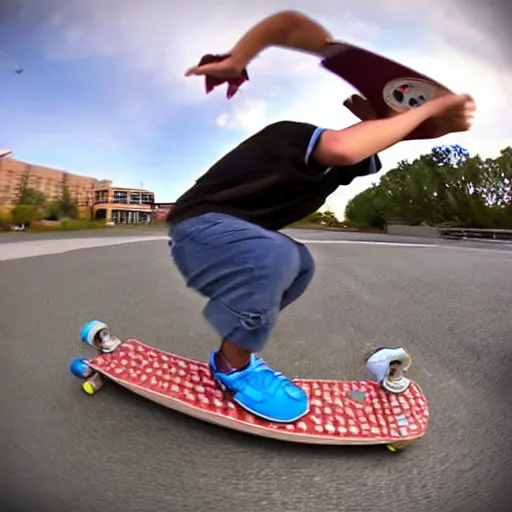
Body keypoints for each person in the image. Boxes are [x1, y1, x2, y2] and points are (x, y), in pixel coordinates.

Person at [167, 11, 475, 423]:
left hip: (226, 241)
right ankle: (234, 368)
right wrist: (424, 111)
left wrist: (409, 126)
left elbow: (359, 152)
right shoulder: (293, 136)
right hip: (197, 228)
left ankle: (232, 352)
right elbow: (347, 147)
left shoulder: (338, 165)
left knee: (300, 264)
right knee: (274, 255)